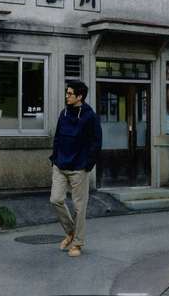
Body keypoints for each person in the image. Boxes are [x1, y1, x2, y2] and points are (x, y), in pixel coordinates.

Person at [49, 80, 102, 257]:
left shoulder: (90, 116)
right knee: (55, 199)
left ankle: (77, 243)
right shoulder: (63, 113)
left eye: (70, 94)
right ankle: (71, 232)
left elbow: (96, 142)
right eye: (67, 93)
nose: (67, 96)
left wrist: (87, 164)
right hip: (60, 165)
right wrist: (55, 158)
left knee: (80, 207)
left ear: (79, 96)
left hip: (79, 168)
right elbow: (57, 137)